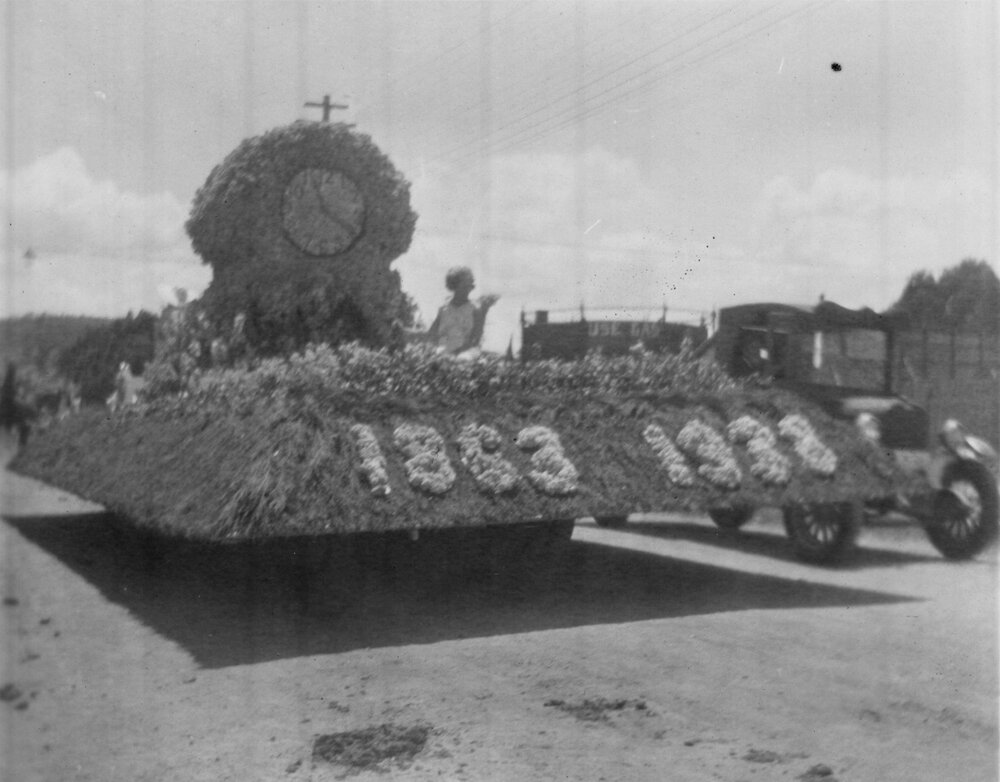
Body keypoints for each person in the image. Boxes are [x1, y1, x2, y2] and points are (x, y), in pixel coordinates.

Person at [426, 266, 499, 356]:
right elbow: (432, 334)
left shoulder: (475, 309)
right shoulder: (443, 309)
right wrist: (439, 346)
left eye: (470, 283)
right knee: (441, 356)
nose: (468, 286)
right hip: (444, 348)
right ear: (454, 284)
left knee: (463, 358)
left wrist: (460, 350)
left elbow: (476, 339)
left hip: (467, 351)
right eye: (464, 283)